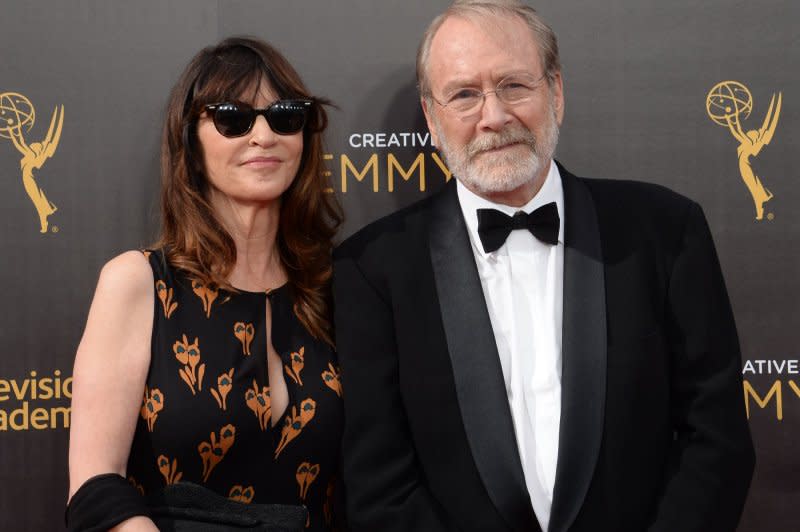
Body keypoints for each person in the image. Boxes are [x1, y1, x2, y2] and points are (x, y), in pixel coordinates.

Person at [332, 1, 755, 531]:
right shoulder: (372, 270)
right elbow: (379, 487)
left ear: (555, 92)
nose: (494, 115)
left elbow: (715, 440)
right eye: (464, 94)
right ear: (432, 119)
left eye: (513, 85)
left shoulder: (665, 232)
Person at [67, 37, 344, 531]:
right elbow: (95, 488)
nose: (263, 135)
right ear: (191, 140)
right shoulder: (139, 283)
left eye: (284, 116)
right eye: (234, 118)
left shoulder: (335, 287)